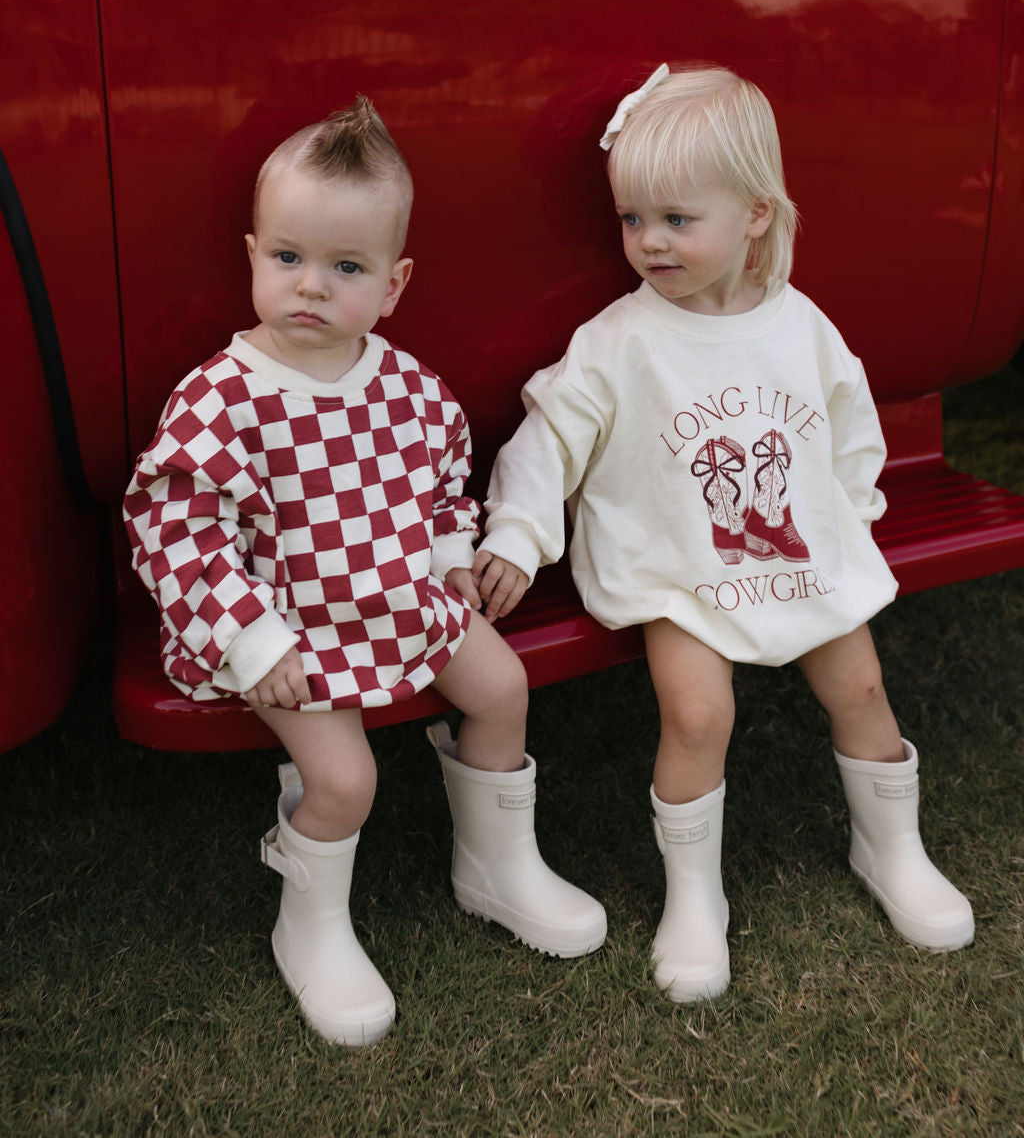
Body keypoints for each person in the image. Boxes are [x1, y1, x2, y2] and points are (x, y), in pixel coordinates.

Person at [472, 63, 973, 1004]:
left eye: (675, 219)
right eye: (632, 220)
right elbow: (551, 432)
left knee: (862, 683)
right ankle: (694, 894)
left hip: (799, 553)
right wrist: (516, 532)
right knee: (699, 715)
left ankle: (892, 847)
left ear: (754, 212)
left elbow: (850, 423)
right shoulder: (622, 339)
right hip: (682, 570)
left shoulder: (802, 326)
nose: (649, 242)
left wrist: (851, 520)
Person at [124, 96, 605, 1047]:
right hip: (285, 627)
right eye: (289, 258)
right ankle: (310, 922)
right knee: (344, 778)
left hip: (398, 597)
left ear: (393, 283)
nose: (311, 286)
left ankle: (496, 864)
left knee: (502, 684)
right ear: (253, 252)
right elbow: (174, 529)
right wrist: (251, 640)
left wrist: (447, 561)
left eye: (345, 268)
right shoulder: (223, 398)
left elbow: (439, 488)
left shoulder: (408, 387)